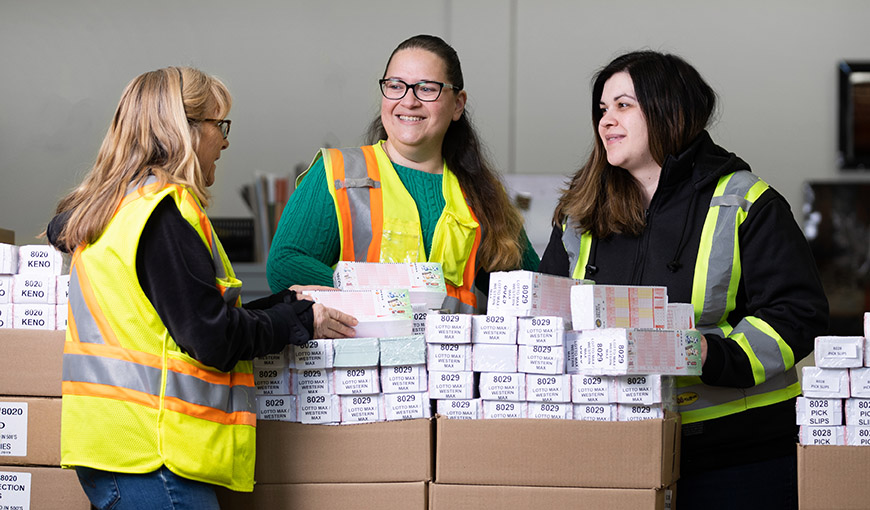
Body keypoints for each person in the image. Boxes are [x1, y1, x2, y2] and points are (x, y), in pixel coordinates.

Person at [46, 66, 357, 508]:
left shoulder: (117, 210)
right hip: (155, 458)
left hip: (118, 448)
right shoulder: (163, 216)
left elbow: (181, 319)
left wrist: (289, 304)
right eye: (219, 124)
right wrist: (295, 321)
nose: (225, 141)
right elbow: (211, 338)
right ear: (184, 129)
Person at [538, 51, 828, 509]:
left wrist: (710, 353)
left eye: (623, 105)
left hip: (737, 459)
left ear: (671, 111)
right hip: (614, 451)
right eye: (601, 109)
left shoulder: (747, 202)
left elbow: (797, 314)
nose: (606, 121)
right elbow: (546, 316)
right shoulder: (579, 214)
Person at [267, 34, 539, 313]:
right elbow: (285, 264)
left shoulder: (479, 194)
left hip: (449, 355)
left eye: (427, 88)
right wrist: (379, 300)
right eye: (396, 86)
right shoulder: (336, 173)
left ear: (458, 104)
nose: (409, 101)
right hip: (361, 354)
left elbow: (532, 292)